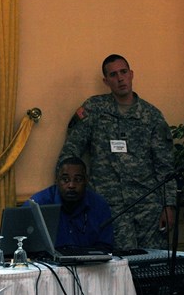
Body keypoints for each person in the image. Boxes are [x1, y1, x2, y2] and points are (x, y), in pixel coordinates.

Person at [58, 54, 176, 251]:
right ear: (106, 81)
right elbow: (71, 151)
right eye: (113, 75)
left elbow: (165, 166)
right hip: (109, 206)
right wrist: (71, 191)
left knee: (153, 266)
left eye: (123, 72)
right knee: (119, 268)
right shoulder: (94, 109)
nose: (120, 78)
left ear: (131, 74)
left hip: (148, 206)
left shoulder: (151, 116)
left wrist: (169, 206)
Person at [24, 157, 114, 251]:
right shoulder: (39, 204)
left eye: (78, 180)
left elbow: (105, 247)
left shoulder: (99, 205)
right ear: (57, 180)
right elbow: (22, 243)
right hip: (49, 264)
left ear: (86, 181)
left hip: (90, 264)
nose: (71, 185)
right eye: (65, 179)